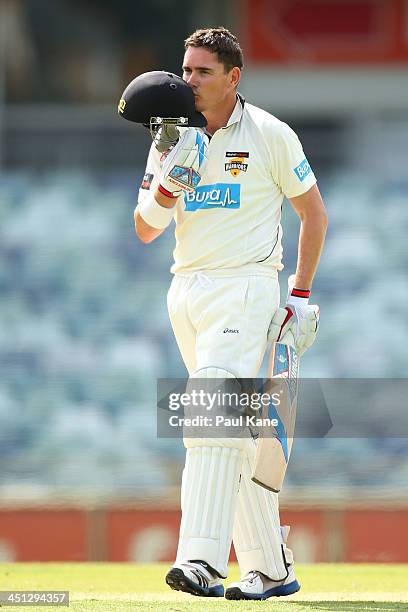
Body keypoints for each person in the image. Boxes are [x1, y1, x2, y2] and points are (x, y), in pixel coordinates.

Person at [133, 27, 328, 601]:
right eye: (185, 70)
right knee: (236, 438)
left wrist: (297, 295)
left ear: (233, 77)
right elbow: (144, 228)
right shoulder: (169, 135)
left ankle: (202, 561)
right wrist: (170, 186)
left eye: (202, 72)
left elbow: (313, 215)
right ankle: (271, 568)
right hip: (186, 293)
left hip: (247, 287)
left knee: (210, 413)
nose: (187, 80)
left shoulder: (269, 133)